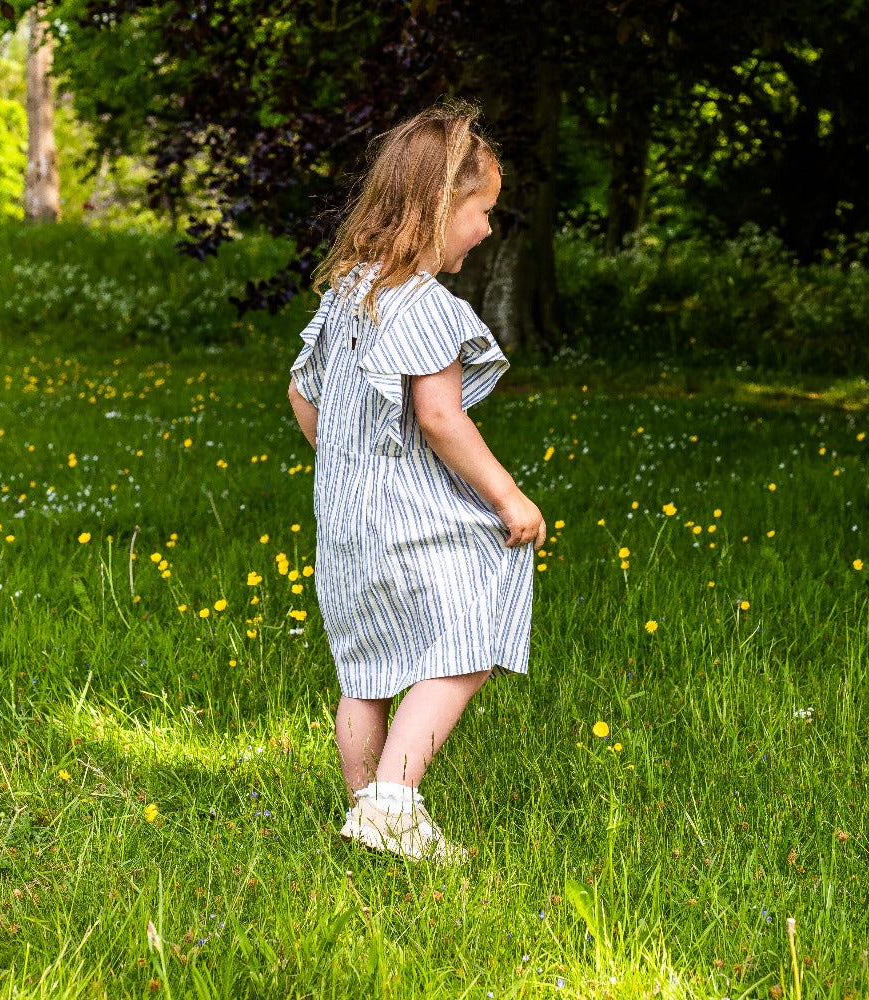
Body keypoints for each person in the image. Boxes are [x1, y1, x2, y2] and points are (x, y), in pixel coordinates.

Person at [287, 102, 545, 863]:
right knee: (468, 631)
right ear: (439, 207)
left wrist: (346, 459)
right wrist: (507, 495)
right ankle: (395, 802)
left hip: (346, 521)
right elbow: (438, 416)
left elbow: (305, 394)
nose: (488, 229)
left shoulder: (347, 294)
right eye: (482, 211)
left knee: (364, 668)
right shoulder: (428, 307)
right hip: (409, 520)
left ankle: (366, 810)